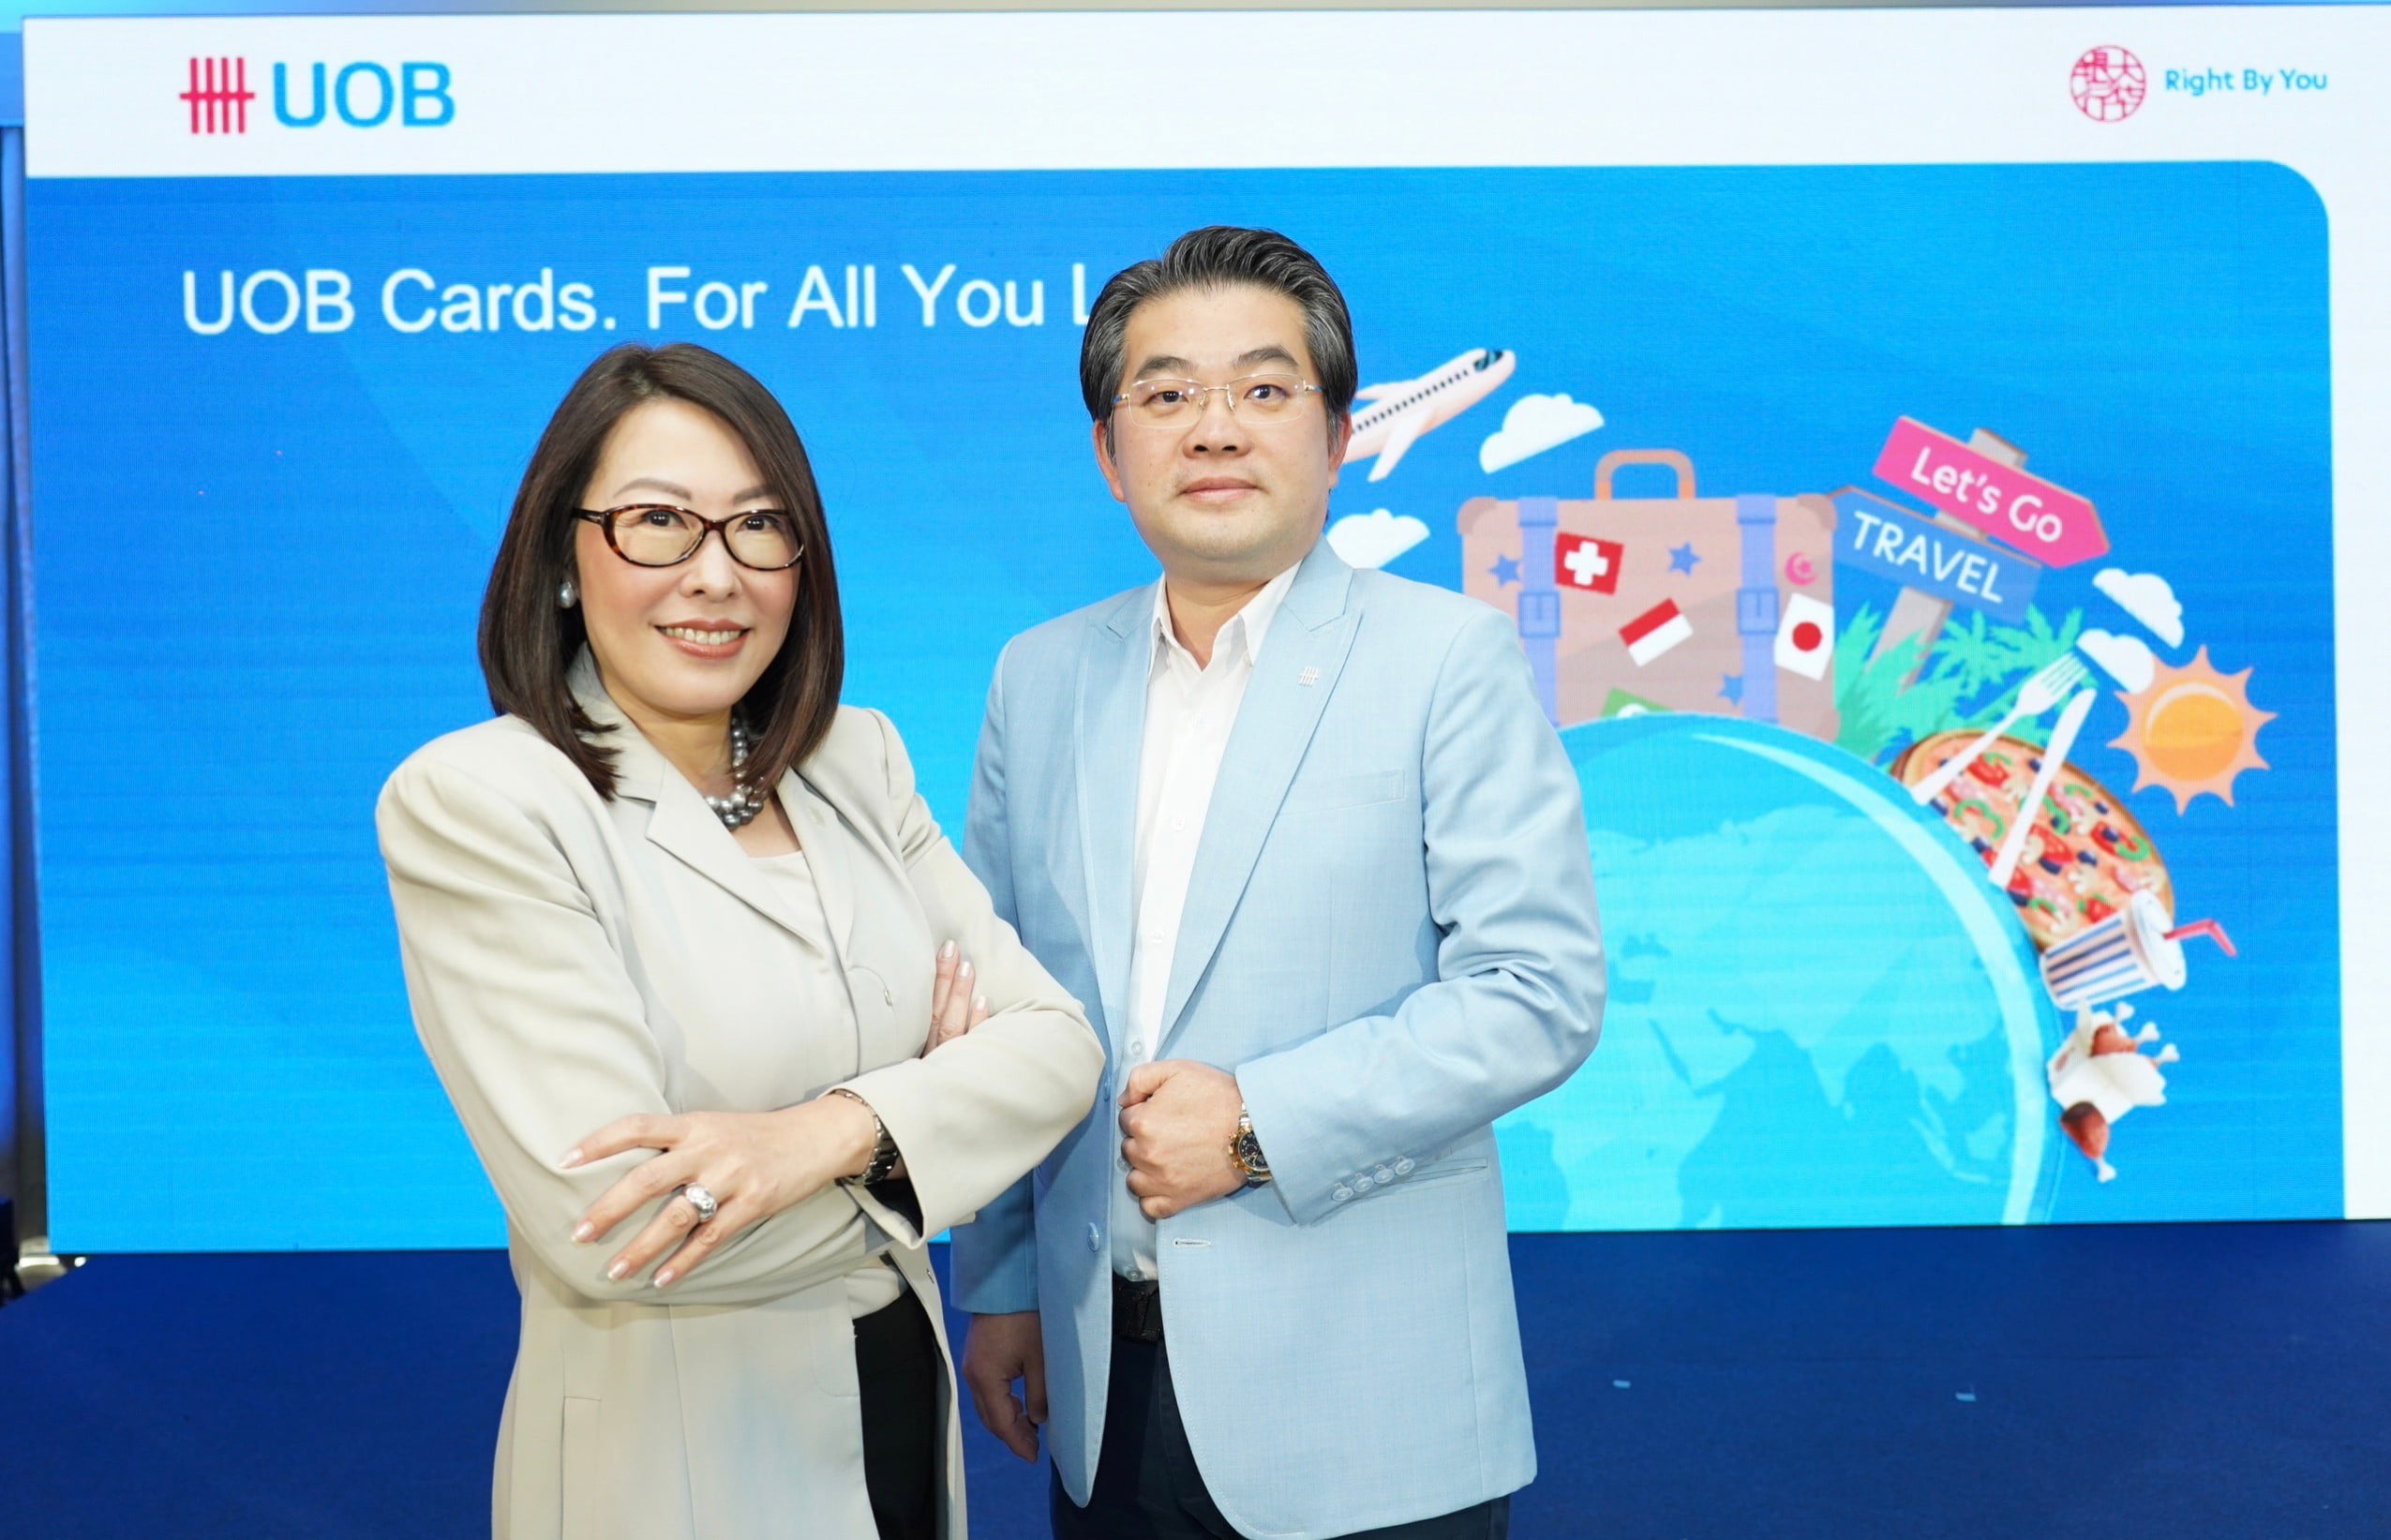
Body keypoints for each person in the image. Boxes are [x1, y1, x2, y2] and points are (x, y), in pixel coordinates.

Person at [377, 342, 1103, 1540]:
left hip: (899, 1402)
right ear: (562, 556)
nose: (715, 575)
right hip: (676, 1460)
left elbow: (1057, 1047)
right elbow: (618, 1226)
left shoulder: (854, 758)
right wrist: (930, 1130)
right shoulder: (484, 799)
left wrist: (825, 1133)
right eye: (658, 522)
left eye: (759, 525)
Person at [950, 228, 1606, 1540]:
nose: (1214, 428)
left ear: (1338, 432)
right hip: (1103, 1378)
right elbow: (1002, 1001)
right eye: (1165, 393)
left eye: (1262, 388)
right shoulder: (1038, 675)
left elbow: (1537, 990)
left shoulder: (1447, 658)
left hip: (1365, 1399)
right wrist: (1005, 1280)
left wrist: (1254, 1121)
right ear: (1108, 452)